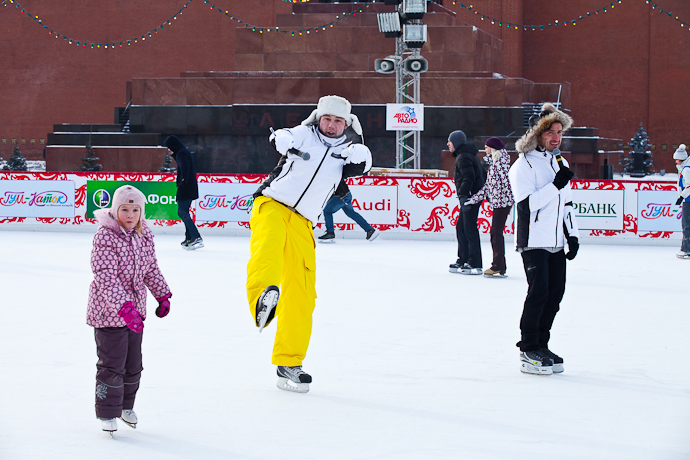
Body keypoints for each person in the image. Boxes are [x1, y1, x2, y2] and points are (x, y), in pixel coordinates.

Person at [247, 95, 372, 393]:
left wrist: (360, 155)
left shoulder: (348, 149)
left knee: (303, 293)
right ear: (319, 118)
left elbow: (364, 160)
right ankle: (263, 298)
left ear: (347, 123)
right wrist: (281, 138)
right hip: (273, 205)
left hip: (304, 223)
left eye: (338, 121)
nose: (331, 125)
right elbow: (287, 135)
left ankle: (289, 362)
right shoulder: (305, 135)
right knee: (268, 249)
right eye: (327, 119)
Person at [87, 185, 172, 434]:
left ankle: (125, 407)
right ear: (116, 210)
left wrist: (162, 294)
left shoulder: (144, 235)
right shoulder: (106, 236)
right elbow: (105, 276)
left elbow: (150, 269)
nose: (131, 215)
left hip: (135, 313)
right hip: (108, 312)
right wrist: (124, 308)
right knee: (112, 364)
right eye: (125, 209)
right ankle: (107, 412)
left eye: (136, 209)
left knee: (134, 363)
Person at [509, 102, 579, 376]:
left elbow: (567, 203)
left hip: (556, 242)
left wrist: (572, 235)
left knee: (554, 296)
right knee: (538, 294)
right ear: (537, 133)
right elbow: (527, 206)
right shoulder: (522, 165)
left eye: (560, 132)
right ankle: (528, 348)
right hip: (533, 241)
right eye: (551, 132)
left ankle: (542, 344)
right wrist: (555, 184)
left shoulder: (559, 162)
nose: (556, 137)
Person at [464, 137, 514, 277]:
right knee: (496, 233)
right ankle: (500, 265)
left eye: (486, 147)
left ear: (493, 148)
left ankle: (498, 265)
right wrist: (472, 200)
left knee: (495, 234)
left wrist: (509, 199)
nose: (485, 150)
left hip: (502, 203)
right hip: (500, 202)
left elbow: (508, 184)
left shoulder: (500, 165)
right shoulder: (495, 164)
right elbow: (487, 188)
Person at [447, 130, 486, 275]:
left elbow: (469, 176)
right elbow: (482, 174)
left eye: (450, 141)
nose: (448, 144)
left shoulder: (464, 157)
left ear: (456, 143)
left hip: (471, 198)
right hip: (471, 197)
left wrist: (464, 195)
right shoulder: (467, 155)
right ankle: (463, 259)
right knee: (461, 227)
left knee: (468, 228)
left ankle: (474, 262)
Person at [163, 135, 203, 250]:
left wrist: (183, 182)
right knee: (184, 212)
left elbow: (185, 168)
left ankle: (195, 236)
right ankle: (189, 237)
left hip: (186, 187)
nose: (169, 150)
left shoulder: (181, 153)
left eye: (169, 147)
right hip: (189, 187)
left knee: (182, 212)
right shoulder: (183, 152)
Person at [674, 143, 690, 258]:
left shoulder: (686, 170)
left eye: (676, 160)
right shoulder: (684, 169)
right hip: (687, 200)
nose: (675, 162)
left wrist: (681, 197)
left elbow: (689, 185)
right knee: (686, 225)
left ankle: (686, 249)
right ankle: (685, 248)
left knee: (686, 225)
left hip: (688, 201)